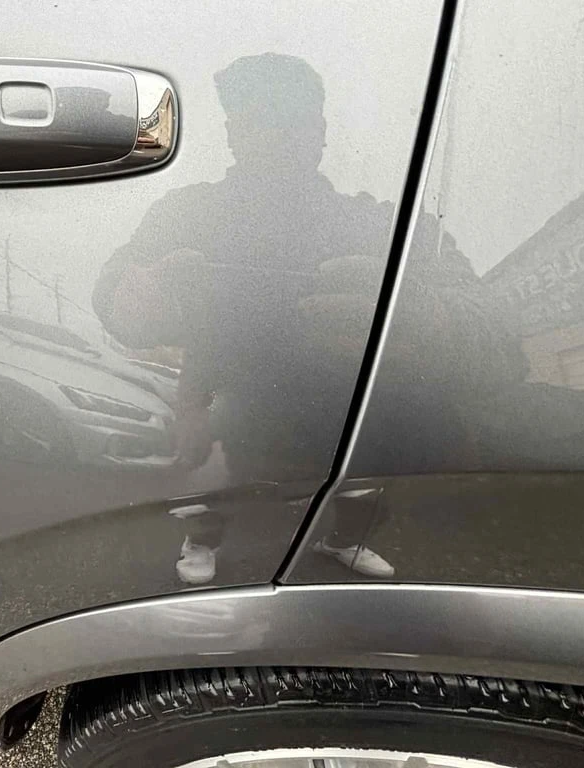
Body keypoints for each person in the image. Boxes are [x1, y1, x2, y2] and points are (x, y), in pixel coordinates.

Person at [92, 53, 518, 578]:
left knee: (360, 499)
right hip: (237, 414)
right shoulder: (187, 215)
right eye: (254, 120)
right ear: (232, 133)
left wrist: (426, 318)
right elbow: (116, 291)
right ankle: (200, 543)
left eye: (290, 120)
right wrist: (131, 298)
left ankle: (344, 540)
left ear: (319, 132)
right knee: (207, 496)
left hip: (357, 426)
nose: (273, 137)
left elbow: (503, 336)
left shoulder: (380, 226)